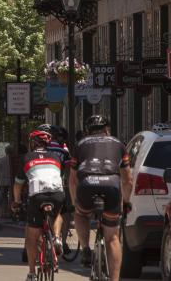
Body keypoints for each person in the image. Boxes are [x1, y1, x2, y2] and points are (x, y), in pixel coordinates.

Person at [67, 115, 131, 281]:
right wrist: (126, 202)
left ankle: (86, 249)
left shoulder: (80, 144)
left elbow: (72, 180)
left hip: (87, 183)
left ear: (88, 131)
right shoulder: (118, 144)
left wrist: (75, 203)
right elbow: (127, 179)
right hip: (111, 184)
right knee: (113, 238)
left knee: (81, 214)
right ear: (107, 129)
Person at [14, 130, 67, 280]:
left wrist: (17, 201)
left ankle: (31, 272)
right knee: (57, 214)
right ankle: (56, 237)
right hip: (57, 194)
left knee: (32, 235)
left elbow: (18, 184)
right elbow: (59, 175)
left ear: (33, 143)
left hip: (37, 195)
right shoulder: (56, 157)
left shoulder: (27, 158)